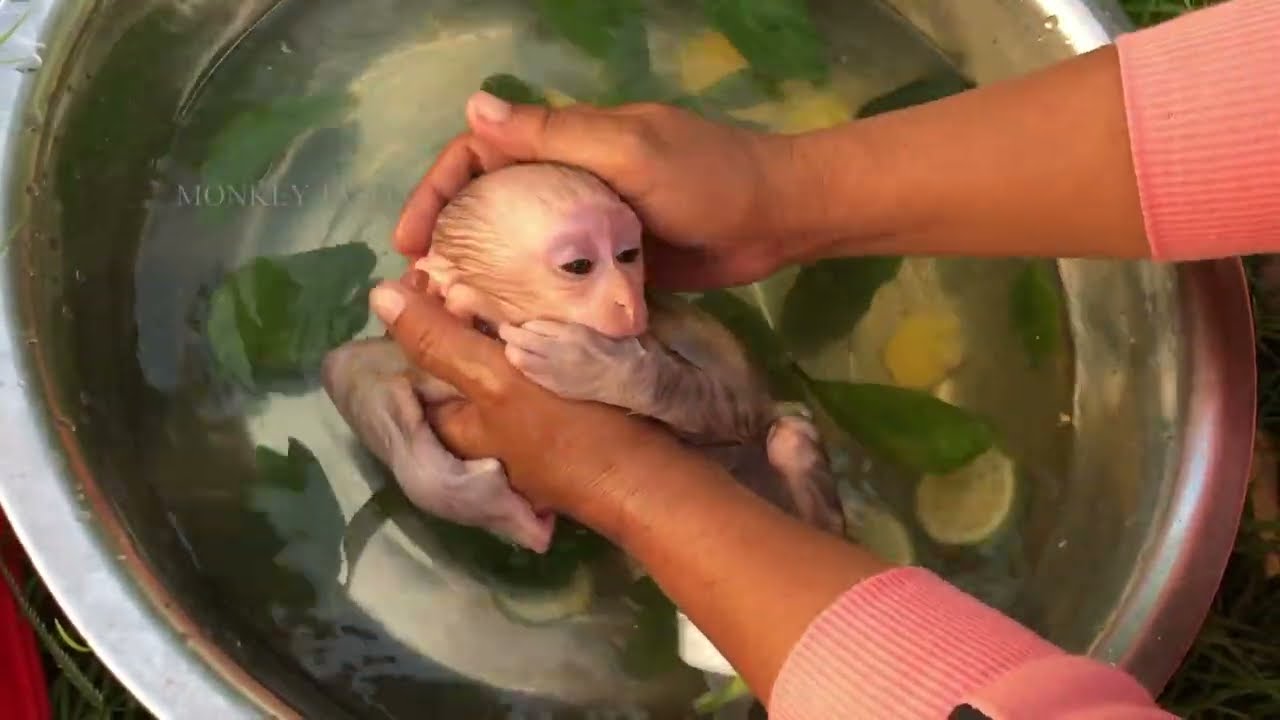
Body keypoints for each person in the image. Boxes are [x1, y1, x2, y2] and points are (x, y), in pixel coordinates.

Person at [369, 0, 1278, 717]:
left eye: (630, 254)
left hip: (746, 531)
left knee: (787, 459)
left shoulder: (667, 341)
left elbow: (741, 419)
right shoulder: (446, 323)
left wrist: (627, 451)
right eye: (575, 269)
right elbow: (362, 379)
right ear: (454, 292)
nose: (622, 299)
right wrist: (780, 192)